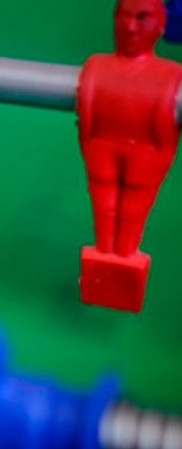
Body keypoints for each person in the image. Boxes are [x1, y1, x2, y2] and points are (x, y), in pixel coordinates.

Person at [78, 0, 182, 258]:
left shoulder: (170, 75)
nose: (130, 27)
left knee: (134, 207)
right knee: (103, 203)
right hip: (103, 147)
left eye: (141, 18)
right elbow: (87, 123)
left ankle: (123, 254)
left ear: (161, 25)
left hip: (145, 154)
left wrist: (162, 152)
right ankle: (106, 253)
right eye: (123, 17)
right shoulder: (96, 66)